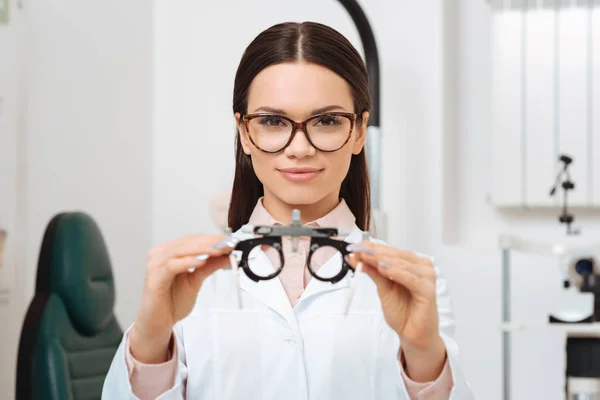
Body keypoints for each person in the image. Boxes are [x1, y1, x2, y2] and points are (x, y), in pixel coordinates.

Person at [102, 21, 474, 399]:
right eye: (273, 121)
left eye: (327, 120)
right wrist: (149, 342)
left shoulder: (416, 284)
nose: (299, 148)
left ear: (360, 130)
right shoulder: (191, 281)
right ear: (245, 132)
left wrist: (424, 355)